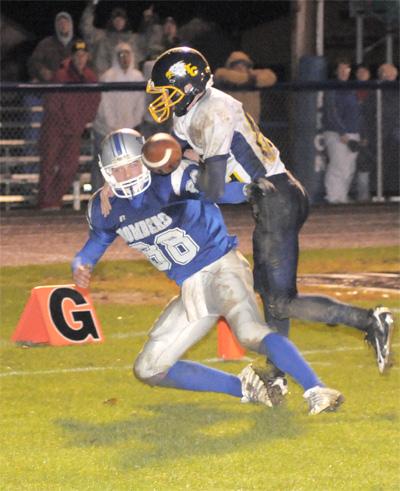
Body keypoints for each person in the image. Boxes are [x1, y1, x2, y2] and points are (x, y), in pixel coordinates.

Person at [142, 47, 393, 374]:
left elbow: (216, 189)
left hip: (275, 196)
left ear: (189, 86)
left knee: (280, 301)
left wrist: (186, 180)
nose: (162, 98)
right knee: (272, 295)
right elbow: (185, 152)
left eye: (167, 90)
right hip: (270, 197)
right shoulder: (190, 110)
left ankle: (369, 320)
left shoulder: (214, 111)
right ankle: (278, 376)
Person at [73, 128, 344, 416]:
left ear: (147, 159)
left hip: (221, 266)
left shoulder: (171, 177)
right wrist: (80, 264)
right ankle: (246, 388)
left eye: (132, 164)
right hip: (192, 288)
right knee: (148, 368)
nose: (127, 174)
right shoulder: (106, 207)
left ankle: (317, 389)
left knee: (250, 332)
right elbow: (95, 243)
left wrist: (247, 190)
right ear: (106, 173)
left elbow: (214, 190)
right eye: (118, 169)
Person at [37, 40, 100, 210]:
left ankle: (54, 200)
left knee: (69, 168)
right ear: (72, 57)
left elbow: (94, 103)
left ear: (87, 57)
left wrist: (80, 122)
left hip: (74, 130)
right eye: (77, 55)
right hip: (54, 128)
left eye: (83, 55)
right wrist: (67, 123)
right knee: (48, 165)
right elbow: (52, 104)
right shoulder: (61, 75)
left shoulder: (90, 77)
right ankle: (45, 203)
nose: (80, 58)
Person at [91, 42, 146, 191]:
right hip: (106, 129)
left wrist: (131, 125)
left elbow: (140, 103)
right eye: (121, 55)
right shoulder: (108, 77)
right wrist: (113, 126)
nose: (124, 58)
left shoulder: (137, 76)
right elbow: (105, 104)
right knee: (103, 163)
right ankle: (98, 194)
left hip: (129, 129)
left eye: (127, 55)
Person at [322, 58, 361, 204]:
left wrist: (359, 133)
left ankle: (342, 197)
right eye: (341, 69)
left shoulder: (351, 88)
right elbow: (331, 112)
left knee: (349, 168)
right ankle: (333, 197)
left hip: (353, 132)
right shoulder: (332, 88)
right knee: (338, 165)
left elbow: (357, 113)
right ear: (336, 71)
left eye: (347, 69)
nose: (344, 72)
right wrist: (342, 132)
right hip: (336, 133)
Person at [214, 51, 277, 124]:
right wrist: (250, 80)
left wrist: (244, 80)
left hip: (250, 121)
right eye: (236, 64)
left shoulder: (254, 74)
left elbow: (271, 78)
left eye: (244, 64)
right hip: (229, 121)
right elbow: (221, 75)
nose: (240, 67)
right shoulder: (223, 73)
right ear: (230, 65)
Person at [28, 11, 75, 83]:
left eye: (66, 22)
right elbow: (33, 61)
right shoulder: (45, 43)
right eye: (60, 23)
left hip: (71, 86)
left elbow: (88, 64)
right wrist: (42, 70)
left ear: (70, 25)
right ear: (56, 26)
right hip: (50, 85)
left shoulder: (78, 44)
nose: (63, 25)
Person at [377, 63, 399, 198]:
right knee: (384, 166)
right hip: (382, 135)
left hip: (396, 133)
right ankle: (386, 193)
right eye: (387, 74)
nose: (390, 76)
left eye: (392, 74)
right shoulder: (378, 90)